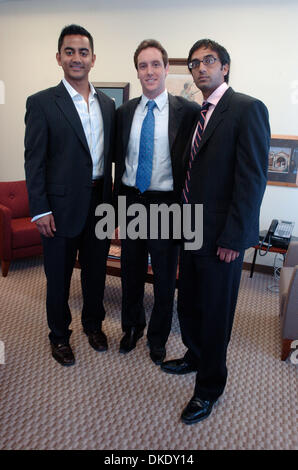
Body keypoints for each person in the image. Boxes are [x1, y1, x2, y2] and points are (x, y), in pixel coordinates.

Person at [161, 39, 270, 423]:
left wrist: (234, 238)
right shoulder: (195, 115)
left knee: (216, 313)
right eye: (194, 63)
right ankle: (194, 355)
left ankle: (209, 388)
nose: (201, 68)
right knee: (189, 302)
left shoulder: (246, 109)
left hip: (222, 237)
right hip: (189, 229)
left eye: (209, 61)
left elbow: (252, 181)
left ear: (224, 66)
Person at [24, 24, 115, 366]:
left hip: (100, 203)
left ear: (93, 59)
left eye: (83, 52)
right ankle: (59, 336)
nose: (77, 58)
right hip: (59, 208)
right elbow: (34, 161)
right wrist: (39, 209)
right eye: (70, 51)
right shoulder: (42, 103)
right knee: (58, 278)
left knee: (95, 273)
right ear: (59, 57)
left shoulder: (107, 104)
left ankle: (93, 325)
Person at [114, 39, 199, 365]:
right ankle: (132, 327)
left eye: (155, 64)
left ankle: (158, 337)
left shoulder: (187, 111)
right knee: (130, 272)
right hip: (132, 200)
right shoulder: (124, 112)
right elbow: (116, 162)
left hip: (168, 204)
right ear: (137, 71)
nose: (149, 71)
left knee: (165, 278)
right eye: (142, 65)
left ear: (165, 69)